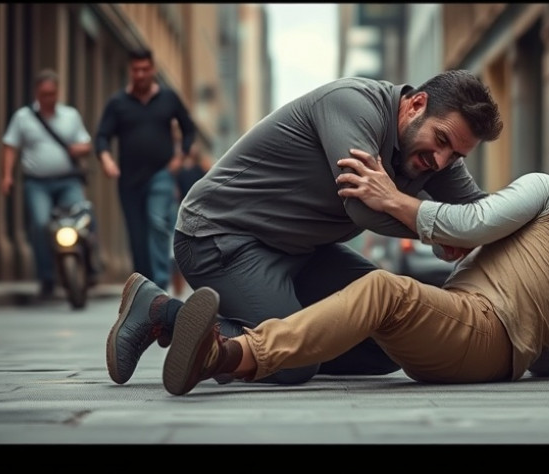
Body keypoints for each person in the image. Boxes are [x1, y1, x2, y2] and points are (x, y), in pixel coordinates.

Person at [156, 150, 549, 396]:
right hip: (485, 362)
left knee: (379, 288)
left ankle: (226, 356)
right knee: (365, 317)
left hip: (470, 328)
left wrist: (392, 197)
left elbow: (473, 218)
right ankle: (164, 318)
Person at [105, 69, 504, 387]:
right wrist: (442, 229)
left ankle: (263, 337)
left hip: (300, 253)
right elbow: (363, 210)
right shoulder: (354, 105)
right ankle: (160, 309)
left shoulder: (433, 154)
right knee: (295, 365)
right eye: (441, 141)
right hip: (220, 238)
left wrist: (539, 214)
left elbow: (478, 213)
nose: (441, 159)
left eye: (455, 155)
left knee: (392, 341)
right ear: (417, 104)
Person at [95, 48, 196, 291]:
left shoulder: (169, 98)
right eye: (135, 70)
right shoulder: (118, 103)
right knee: (137, 236)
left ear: (153, 70)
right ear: (130, 71)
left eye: (145, 69)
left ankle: (160, 284)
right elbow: (102, 137)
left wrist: (180, 157)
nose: (140, 74)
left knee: (157, 222)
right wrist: (106, 159)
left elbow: (189, 129)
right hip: (129, 179)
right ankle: (146, 286)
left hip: (161, 174)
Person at [1, 69, 96, 300]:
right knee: (41, 224)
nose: (48, 98)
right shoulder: (23, 117)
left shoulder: (70, 115)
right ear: (36, 93)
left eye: (52, 93)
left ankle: (91, 266)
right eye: (44, 94)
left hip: (67, 181)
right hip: (37, 184)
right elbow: (10, 146)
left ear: (58, 92)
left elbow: (86, 143)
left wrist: (79, 148)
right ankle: (47, 277)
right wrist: (7, 175)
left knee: (83, 218)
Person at [170, 142, 213, 296]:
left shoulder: (200, 168)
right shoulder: (180, 170)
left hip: (197, 211)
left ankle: (198, 286)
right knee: (179, 248)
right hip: (182, 210)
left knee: (195, 247)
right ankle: (178, 287)